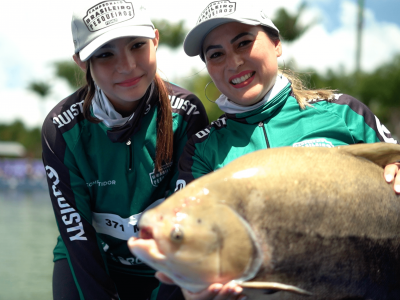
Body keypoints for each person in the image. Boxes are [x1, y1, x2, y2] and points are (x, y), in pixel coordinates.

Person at [155, 1, 400, 300]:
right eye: (216, 54)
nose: (233, 62)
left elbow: (394, 163)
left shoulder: (344, 112)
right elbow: (187, 237)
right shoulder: (202, 149)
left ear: (276, 43)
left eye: (244, 43)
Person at [41, 1, 208, 299]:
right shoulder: (60, 128)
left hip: (166, 262)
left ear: (155, 41)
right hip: (90, 258)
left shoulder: (188, 113)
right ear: (81, 61)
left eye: (137, 45)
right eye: (105, 54)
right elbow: (76, 235)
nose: (127, 65)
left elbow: (186, 225)